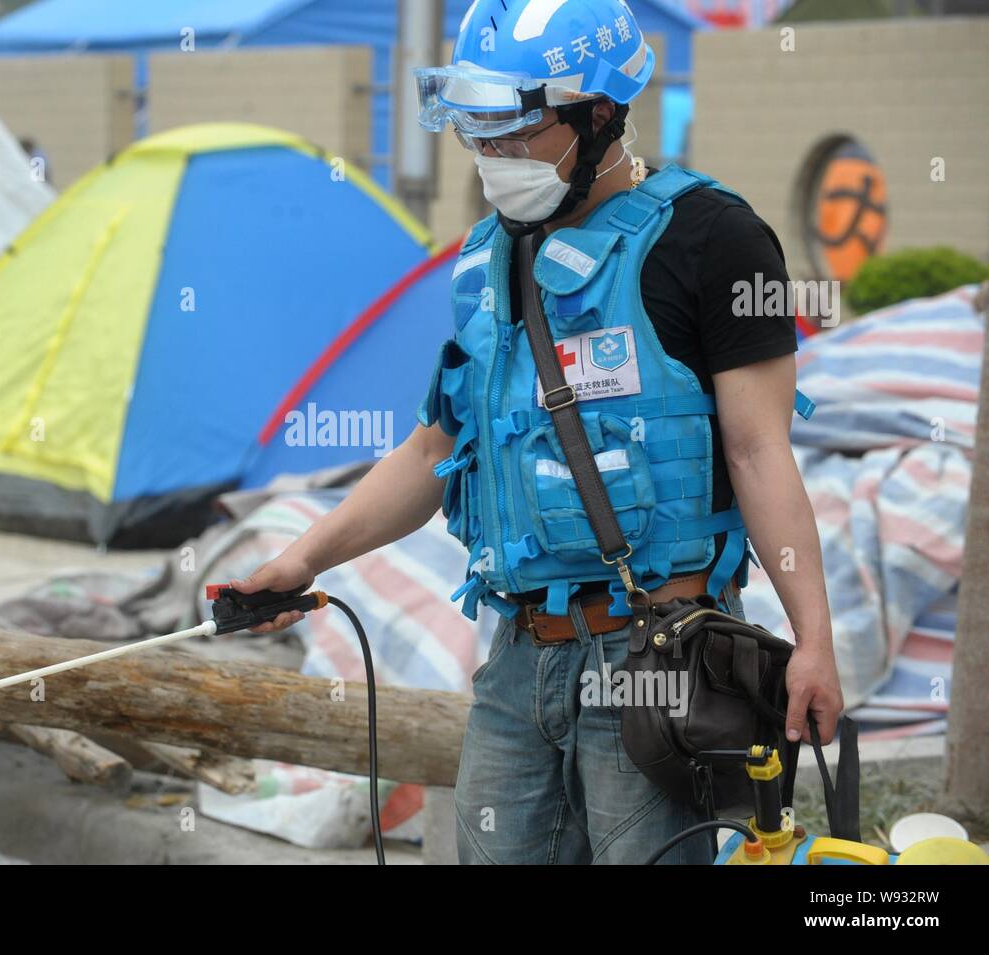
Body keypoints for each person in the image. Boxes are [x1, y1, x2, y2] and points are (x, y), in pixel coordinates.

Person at [231, 0, 843, 864]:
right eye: (474, 130)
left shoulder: (717, 239)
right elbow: (432, 450)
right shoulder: (487, 260)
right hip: (519, 664)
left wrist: (814, 637)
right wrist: (303, 559)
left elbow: (758, 449)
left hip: (656, 657)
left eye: (512, 130)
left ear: (597, 114)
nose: (490, 156)